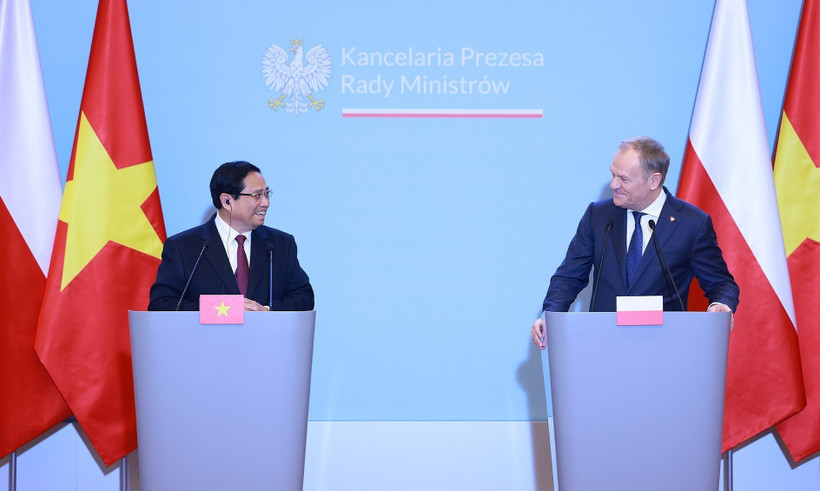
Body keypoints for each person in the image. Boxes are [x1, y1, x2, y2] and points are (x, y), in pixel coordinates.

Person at [531, 136, 738, 349]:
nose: (614, 184)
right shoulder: (599, 216)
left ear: (654, 181)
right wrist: (550, 316)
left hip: (663, 350)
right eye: (613, 174)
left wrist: (721, 303)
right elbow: (568, 277)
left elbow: (721, 283)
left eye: (624, 179)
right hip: (602, 346)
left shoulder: (691, 223)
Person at [149, 161, 314, 311]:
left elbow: (304, 298)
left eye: (267, 193)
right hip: (207, 342)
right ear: (227, 201)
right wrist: (223, 310)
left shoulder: (280, 244)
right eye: (257, 195)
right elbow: (161, 304)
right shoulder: (183, 247)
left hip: (264, 342)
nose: (265, 203)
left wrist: (266, 311)